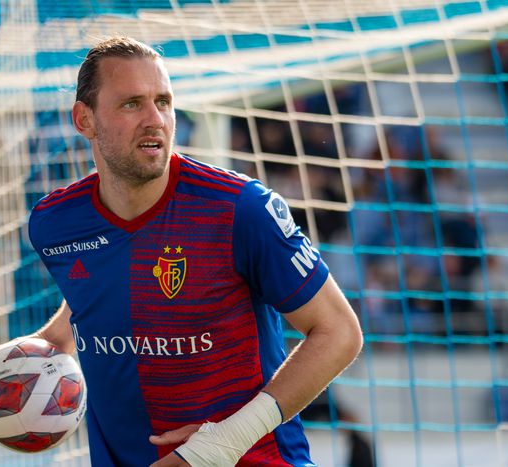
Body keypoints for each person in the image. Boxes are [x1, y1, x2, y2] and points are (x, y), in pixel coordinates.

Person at [28, 36, 363, 467]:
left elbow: (339, 332)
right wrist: (45, 344)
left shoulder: (241, 209)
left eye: (163, 102)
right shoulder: (55, 223)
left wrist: (222, 443)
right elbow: (97, 287)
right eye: (132, 104)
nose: (155, 119)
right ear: (84, 119)